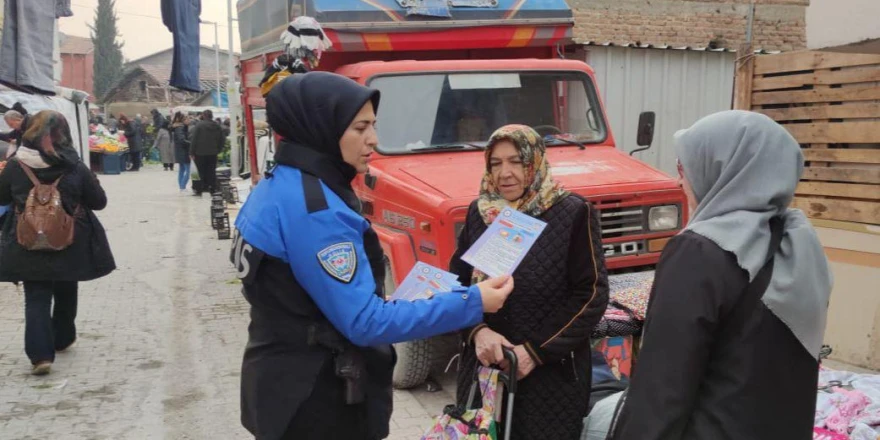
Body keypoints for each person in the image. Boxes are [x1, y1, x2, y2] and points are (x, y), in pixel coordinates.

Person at [231, 72, 515, 440]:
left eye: (374, 126)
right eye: (360, 127)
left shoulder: (278, 183)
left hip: (277, 381)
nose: (373, 140)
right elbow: (365, 322)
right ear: (322, 128)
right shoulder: (316, 211)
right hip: (316, 399)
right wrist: (474, 301)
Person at [611, 111, 832, 440]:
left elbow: (662, 390)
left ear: (721, 169)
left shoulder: (699, 252)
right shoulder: (800, 245)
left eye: (683, 167)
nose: (678, 181)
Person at [449, 124, 609, 440]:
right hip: (486, 367)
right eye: (496, 163)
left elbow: (591, 294)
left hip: (550, 375)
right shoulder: (481, 213)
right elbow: (457, 284)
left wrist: (534, 352)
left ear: (534, 161)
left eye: (516, 161)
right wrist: (477, 332)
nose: (505, 173)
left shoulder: (572, 212)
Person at [0, 110, 116, 376]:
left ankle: (41, 356)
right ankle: (62, 338)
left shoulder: (17, 164)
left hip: (25, 241)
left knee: (36, 296)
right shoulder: (73, 165)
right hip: (69, 239)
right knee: (66, 286)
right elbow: (99, 201)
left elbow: (1, 195)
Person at [188, 110, 224, 195]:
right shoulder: (217, 126)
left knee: (199, 171)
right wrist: (218, 149)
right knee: (211, 170)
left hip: (199, 152)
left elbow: (194, 139)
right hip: (213, 152)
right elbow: (222, 139)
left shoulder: (199, 125)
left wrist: (191, 152)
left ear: (203, 116)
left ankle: (198, 189)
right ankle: (212, 188)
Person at [171, 112, 191, 193]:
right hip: (183, 151)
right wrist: (191, 143)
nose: (189, 120)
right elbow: (181, 140)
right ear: (183, 120)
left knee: (182, 169)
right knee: (188, 170)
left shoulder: (180, 127)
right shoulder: (180, 128)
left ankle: (181, 187)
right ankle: (182, 186)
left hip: (180, 151)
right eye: (188, 119)